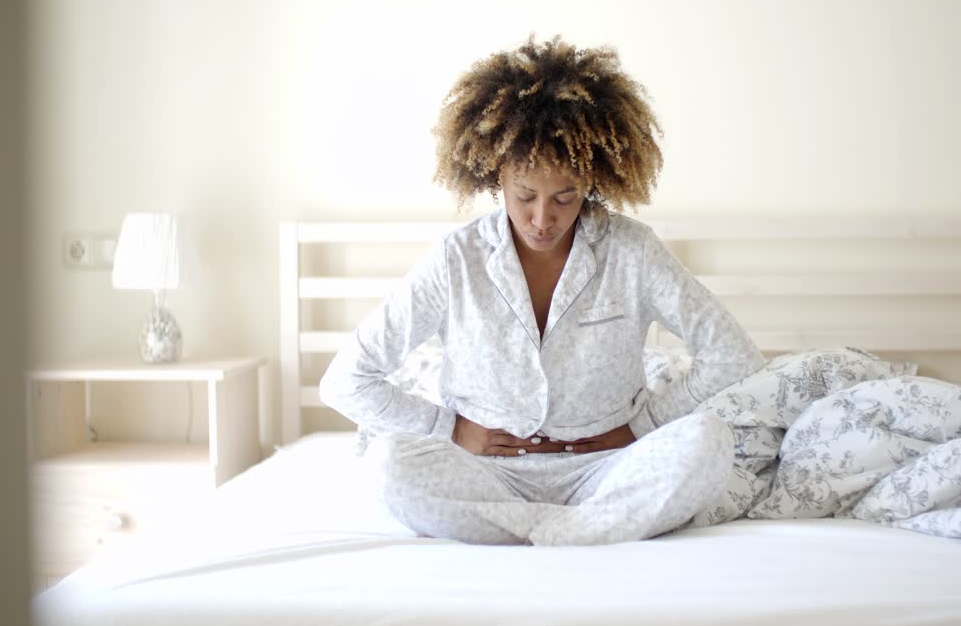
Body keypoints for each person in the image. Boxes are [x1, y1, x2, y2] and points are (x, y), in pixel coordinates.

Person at [320, 35, 764, 545]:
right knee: (388, 463)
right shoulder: (455, 259)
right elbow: (346, 380)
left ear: (593, 183)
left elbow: (733, 354)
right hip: (487, 475)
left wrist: (648, 423)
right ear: (495, 177)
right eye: (525, 195)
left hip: (605, 469)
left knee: (709, 440)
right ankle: (581, 532)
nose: (542, 219)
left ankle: (532, 532)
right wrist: (448, 428)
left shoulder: (633, 251)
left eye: (565, 197)